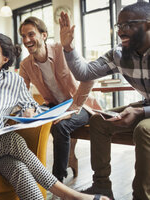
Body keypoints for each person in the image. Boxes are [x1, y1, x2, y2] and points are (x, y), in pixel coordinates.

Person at [0, 32, 109, 200]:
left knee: (18, 168)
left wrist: (30, 110)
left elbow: (29, 104)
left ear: (5, 59)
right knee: (12, 141)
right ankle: (71, 196)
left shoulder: (14, 82)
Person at [59, 2, 150, 199]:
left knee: (144, 128)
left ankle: (142, 196)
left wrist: (141, 112)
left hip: (146, 111)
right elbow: (85, 73)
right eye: (119, 26)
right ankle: (101, 186)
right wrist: (68, 48)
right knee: (99, 121)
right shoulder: (120, 54)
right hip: (146, 105)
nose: (121, 31)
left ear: (147, 25)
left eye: (128, 25)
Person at [18, 16, 101, 183]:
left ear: (44, 35)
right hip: (54, 106)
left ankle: (57, 180)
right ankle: (31, 174)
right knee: (27, 122)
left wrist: (75, 107)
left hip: (80, 105)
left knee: (61, 126)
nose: (26, 40)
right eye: (23, 36)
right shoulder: (25, 65)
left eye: (31, 34)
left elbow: (89, 77)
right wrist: (27, 107)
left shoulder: (62, 50)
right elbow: (20, 92)